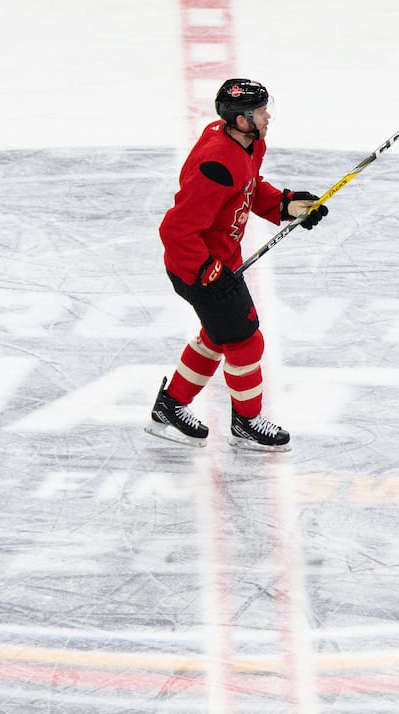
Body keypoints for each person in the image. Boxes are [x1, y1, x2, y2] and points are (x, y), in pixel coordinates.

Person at [145, 78, 329, 452]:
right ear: (242, 119)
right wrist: (207, 274)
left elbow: (248, 188)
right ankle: (246, 421)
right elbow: (176, 230)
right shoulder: (216, 162)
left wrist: (285, 205)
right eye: (261, 111)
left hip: (219, 262)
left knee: (218, 334)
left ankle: (171, 406)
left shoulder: (248, 143)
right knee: (245, 340)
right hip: (197, 267)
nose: (267, 117)